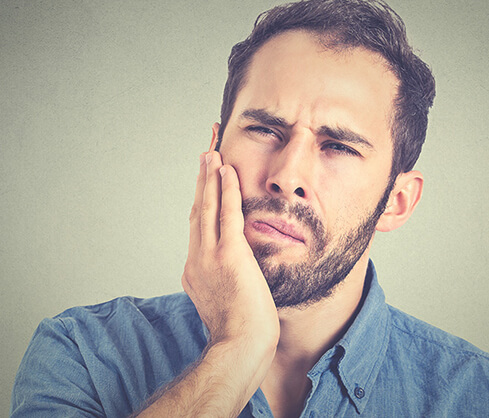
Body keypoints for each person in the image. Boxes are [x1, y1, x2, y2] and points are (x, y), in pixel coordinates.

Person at [10, 0, 489, 416]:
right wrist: (236, 350)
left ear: (397, 202)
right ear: (215, 148)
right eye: (264, 130)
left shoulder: (474, 395)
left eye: (338, 146)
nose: (287, 176)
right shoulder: (83, 354)